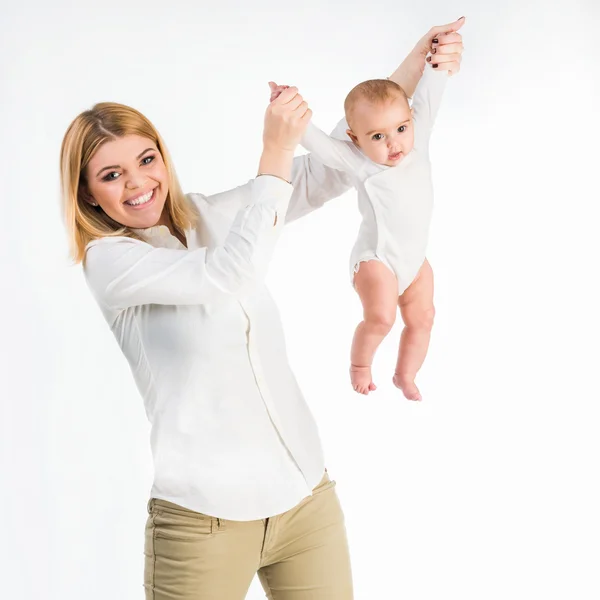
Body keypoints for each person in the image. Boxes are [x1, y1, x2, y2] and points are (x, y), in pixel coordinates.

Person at [59, 20, 464, 600]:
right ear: (86, 193)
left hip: (305, 499)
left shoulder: (208, 216)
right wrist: (275, 150)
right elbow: (231, 273)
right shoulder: (110, 262)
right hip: (204, 522)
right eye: (111, 174)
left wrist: (420, 63)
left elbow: (335, 167)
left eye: (147, 159)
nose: (138, 183)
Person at [275, 53, 457, 401]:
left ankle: (406, 374)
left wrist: (439, 60)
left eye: (401, 129)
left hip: (414, 261)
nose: (394, 144)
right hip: (377, 260)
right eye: (377, 136)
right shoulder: (357, 160)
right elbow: (316, 143)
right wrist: (290, 109)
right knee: (382, 318)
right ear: (355, 138)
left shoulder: (418, 138)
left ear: (411, 121)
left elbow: (431, 93)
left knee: (424, 317)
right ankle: (360, 366)